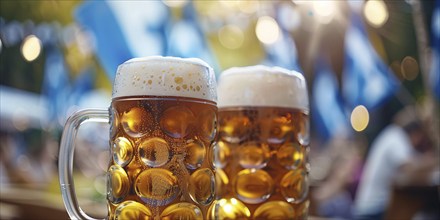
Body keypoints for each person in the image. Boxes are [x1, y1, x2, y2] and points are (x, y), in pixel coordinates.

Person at [354, 106, 438, 220]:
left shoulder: (393, 135)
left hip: (375, 208)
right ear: (417, 134)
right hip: (373, 211)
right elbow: (410, 169)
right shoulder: (395, 138)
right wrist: (435, 160)